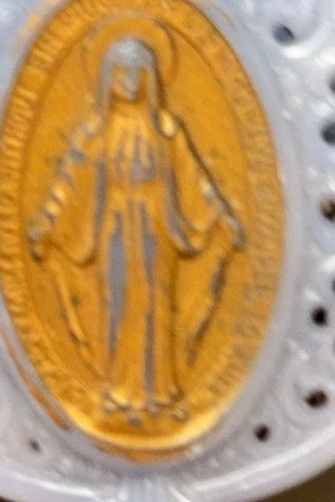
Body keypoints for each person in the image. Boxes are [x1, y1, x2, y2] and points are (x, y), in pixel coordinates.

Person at [28, 31, 244, 421]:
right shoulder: (96, 132)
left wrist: (220, 218)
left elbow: (195, 179)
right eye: (120, 74)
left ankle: (158, 393)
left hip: (158, 227)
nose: (128, 83)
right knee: (118, 304)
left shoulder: (166, 129)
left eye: (136, 73)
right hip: (113, 227)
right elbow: (69, 183)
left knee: (156, 305)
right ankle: (118, 392)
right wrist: (47, 224)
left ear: (150, 77)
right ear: (107, 78)